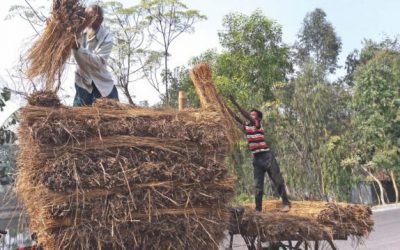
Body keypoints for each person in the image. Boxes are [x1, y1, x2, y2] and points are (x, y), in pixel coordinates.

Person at [228, 95, 291, 212]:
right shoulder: (247, 127)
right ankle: (258, 209)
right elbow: (236, 117)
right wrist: (225, 107)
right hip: (257, 159)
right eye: (250, 114)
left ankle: (286, 203)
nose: (250, 116)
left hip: (267, 156)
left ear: (258, 118)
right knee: (257, 186)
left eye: (253, 115)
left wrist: (235, 103)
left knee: (277, 180)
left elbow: (245, 115)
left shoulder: (258, 124)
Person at [72, 4, 119, 106]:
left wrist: (78, 49)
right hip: (82, 81)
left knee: (112, 117)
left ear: (101, 20)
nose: (91, 20)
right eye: (88, 17)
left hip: (102, 84)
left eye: (95, 18)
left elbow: (99, 62)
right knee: (79, 117)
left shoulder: (106, 38)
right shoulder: (76, 31)